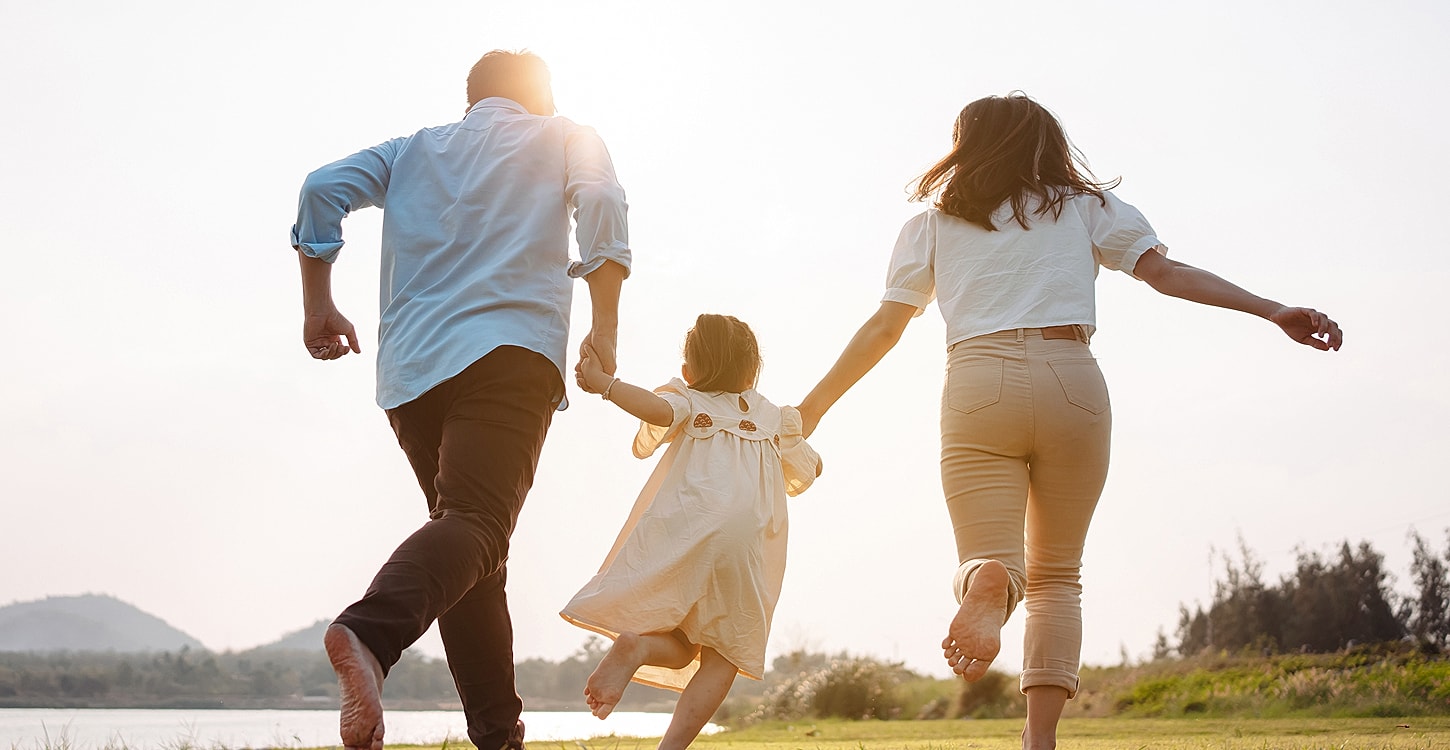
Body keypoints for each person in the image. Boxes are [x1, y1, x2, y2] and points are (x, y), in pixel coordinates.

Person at [796, 92, 1341, 750]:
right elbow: (1166, 273)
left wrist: (814, 405)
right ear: (1048, 144)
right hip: (1071, 378)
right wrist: (1272, 308)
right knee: (1058, 575)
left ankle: (988, 581)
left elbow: (885, 328)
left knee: (989, 555)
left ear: (964, 146)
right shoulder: (1087, 209)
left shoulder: (932, 225)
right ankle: (1040, 738)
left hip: (978, 380)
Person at [288, 50, 630, 750]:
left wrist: (318, 307)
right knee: (476, 526)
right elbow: (599, 201)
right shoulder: (566, 134)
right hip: (510, 353)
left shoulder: (410, 150)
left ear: (470, 102)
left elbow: (321, 187)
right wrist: (604, 328)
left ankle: (499, 739)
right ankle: (369, 635)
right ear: (543, 96)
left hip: (413, 375)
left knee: (473, 552)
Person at [561, 314, 822, 750]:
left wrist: (605, 383)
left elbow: (656, 409)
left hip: (686, 533)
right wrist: (809, 457)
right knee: (725, 656)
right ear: (752, 370)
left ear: (689, 371)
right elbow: (809, 469)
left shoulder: (690, 399)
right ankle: (671, 748)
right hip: (742, 549)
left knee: (681, 644)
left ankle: (639, 648)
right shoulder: (775, 418)